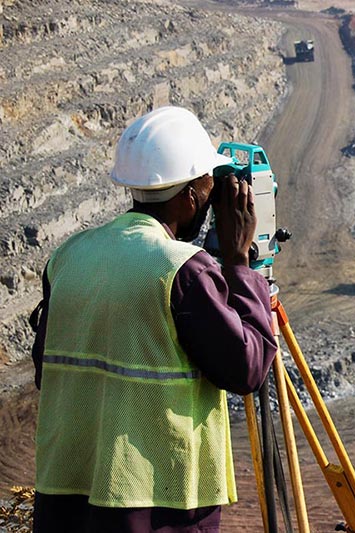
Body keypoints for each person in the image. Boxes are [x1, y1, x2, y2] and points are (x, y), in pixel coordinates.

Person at [29, 106, 279, 533]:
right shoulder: (183, 269)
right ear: (189, 195)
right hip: (158, 505)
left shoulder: (70, 254)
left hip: (67, 498)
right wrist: (239, 262)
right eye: (208, 183)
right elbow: (248, 369)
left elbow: (45, 369)